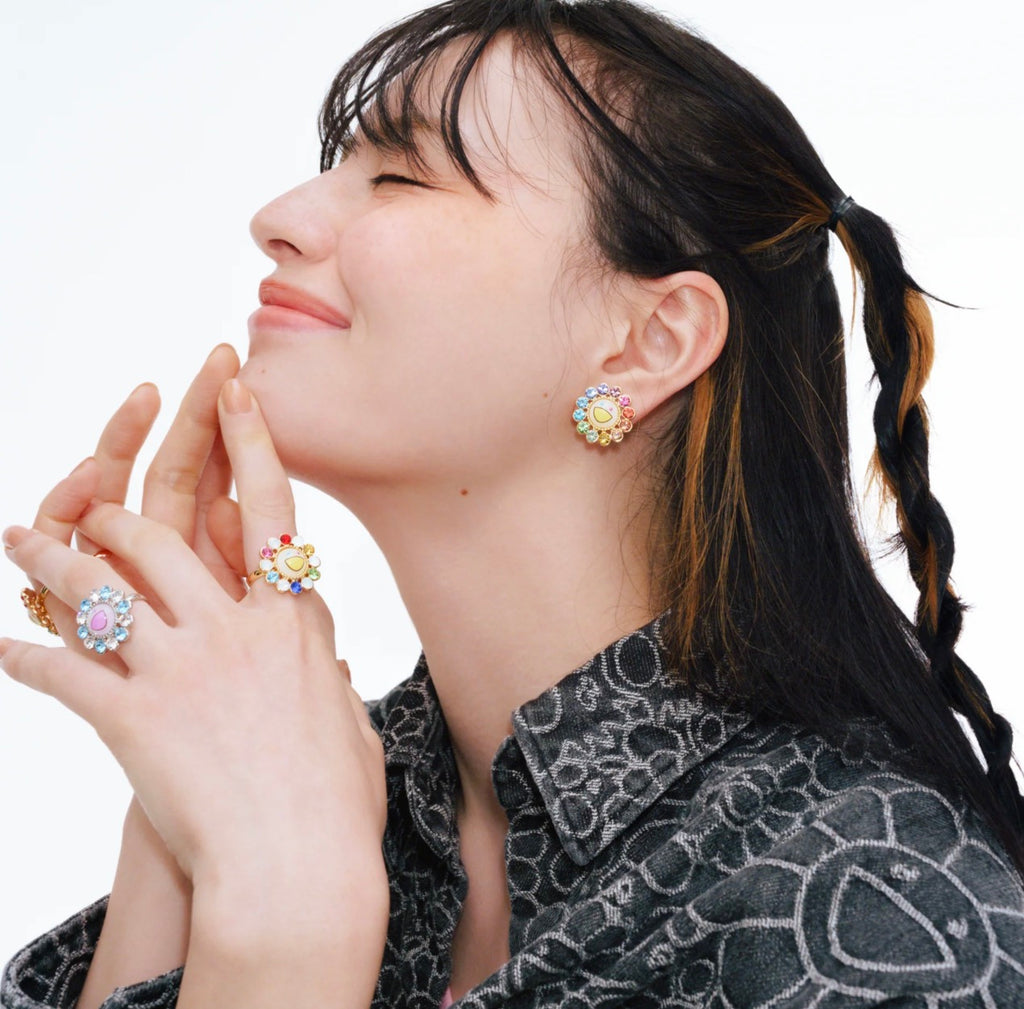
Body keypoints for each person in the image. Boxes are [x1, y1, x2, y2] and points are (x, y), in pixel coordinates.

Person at [3, 0, 1024, 1006]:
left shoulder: (881, 920)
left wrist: (291, 925)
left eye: (398, 176)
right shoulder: (324, 790)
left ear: (646, 344)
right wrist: (186, 785)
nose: (278, 218)